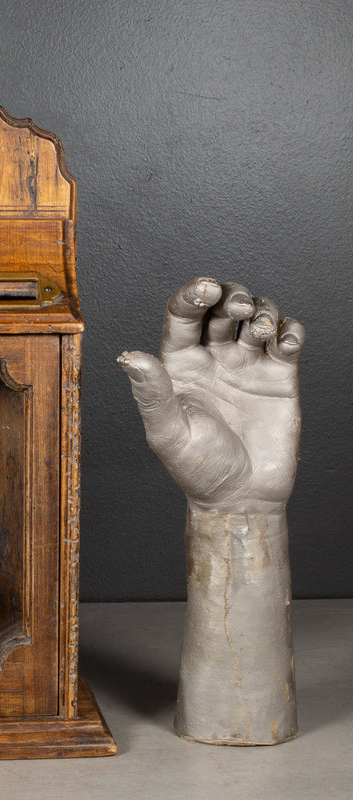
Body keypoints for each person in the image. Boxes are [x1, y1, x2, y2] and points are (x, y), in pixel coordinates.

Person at [118, 277, 305, 744]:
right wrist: (231, 506)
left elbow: (248, 501)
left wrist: (253, 508)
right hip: (227, 497)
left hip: (248, 497)